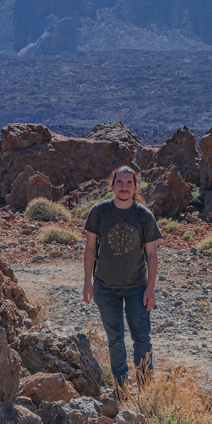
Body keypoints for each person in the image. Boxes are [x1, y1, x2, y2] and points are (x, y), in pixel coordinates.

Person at [83, 165, 162, 391]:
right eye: (120, 183)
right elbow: (90, 249)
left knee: (142, 339)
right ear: (112, 186)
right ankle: (121, 386)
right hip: (105, 287)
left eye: (129, 183)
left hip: (137, 287)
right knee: (115, 339)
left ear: (135, 187)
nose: (124, 187)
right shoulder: (98, 212)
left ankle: (146, 386)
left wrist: (151, 288)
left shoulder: (144, 215)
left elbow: (152, 254)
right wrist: (88, 282)